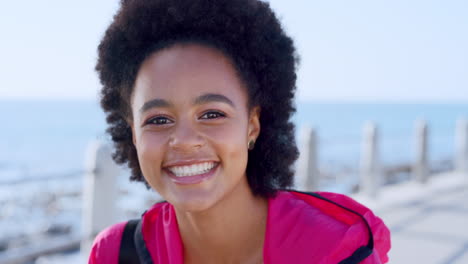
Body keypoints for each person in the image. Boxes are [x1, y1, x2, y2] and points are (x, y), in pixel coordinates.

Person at [89, 0, 391, 263]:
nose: (183, 140)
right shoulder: (115, 254)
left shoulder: (335, 251)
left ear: (253, 125)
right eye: (158, 120)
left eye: (212, 114)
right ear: (133, 134)